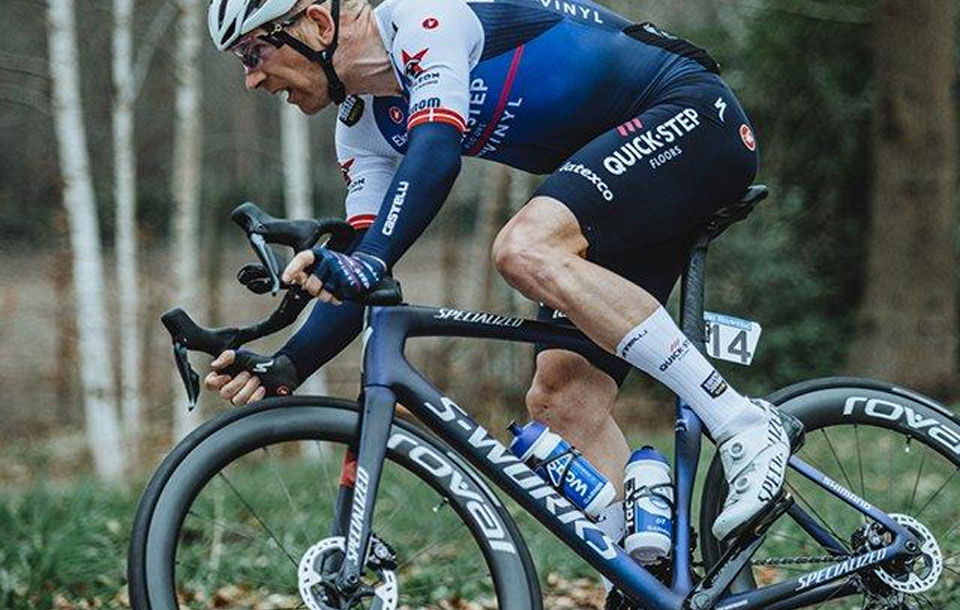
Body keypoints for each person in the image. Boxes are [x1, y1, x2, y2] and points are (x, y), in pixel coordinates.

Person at [203, 0, 798, 603]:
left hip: (690, 118)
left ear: (318, 23)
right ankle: (657, 587)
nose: (251, 78)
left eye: (254, 51)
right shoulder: (362, 127)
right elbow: (364, 268)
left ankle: (743, 423)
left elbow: (435, 152)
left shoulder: (423, 20)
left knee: (524, 248)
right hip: (618, 179)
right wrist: (288, 363)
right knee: (561, 401)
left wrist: (368, 259)